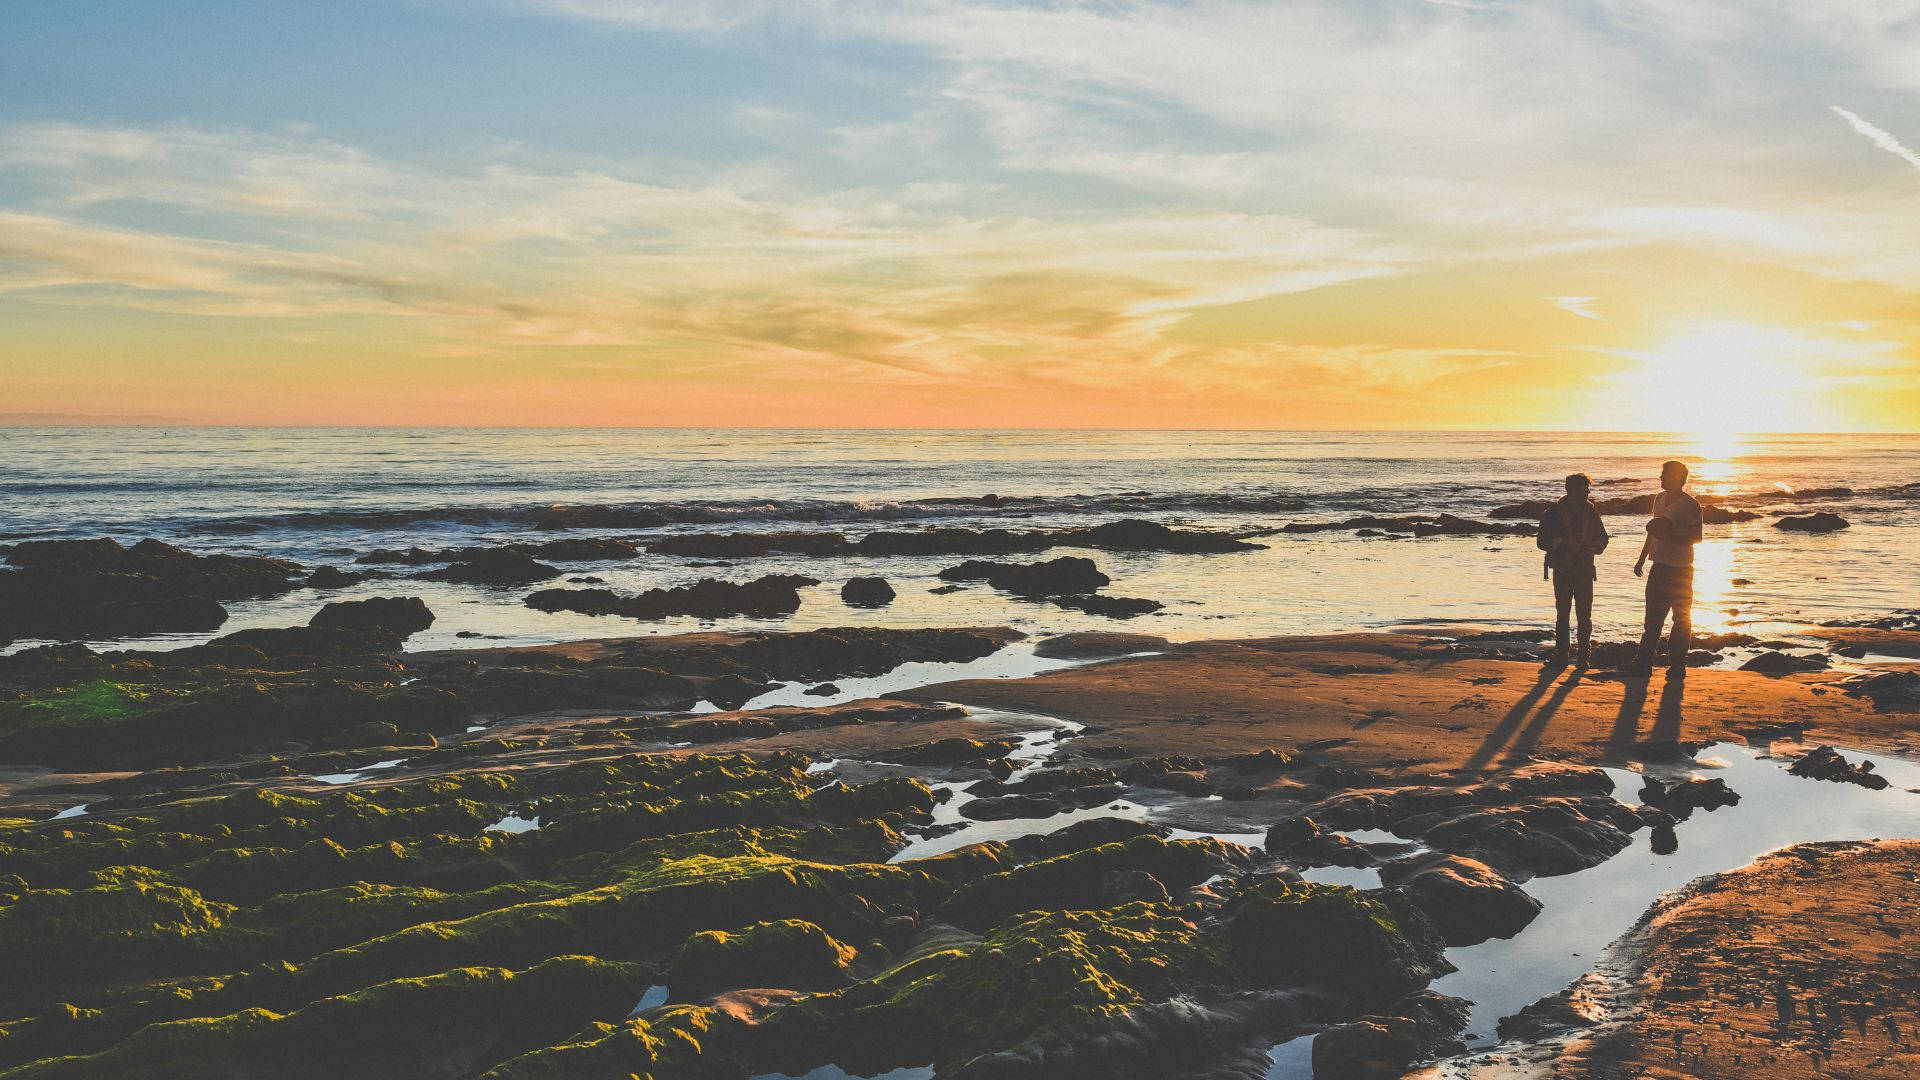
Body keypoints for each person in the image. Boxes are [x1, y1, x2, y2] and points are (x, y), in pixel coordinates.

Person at [1632, 459, 1703, 676]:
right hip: (1658, 566)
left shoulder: (1690, 505)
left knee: (1681, 619)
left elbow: (1697, 537)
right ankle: (1643, 663)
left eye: (1664, 474)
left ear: (1677, 477)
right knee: (1652, 619)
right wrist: (1642, 559)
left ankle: (1677, 664)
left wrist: (1670, 535)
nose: (1660, 477)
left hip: (1681, 569)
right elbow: (1652, 532)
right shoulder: (1660, 499)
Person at [1536, 472, 1609, 666]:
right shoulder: (1552, 513)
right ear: (1571, 490)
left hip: (1585, 570)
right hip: (1562, 570)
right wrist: (1563, 543)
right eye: (1583, 488)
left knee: (1584, 615)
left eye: (1587, 488)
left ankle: (1584, 656)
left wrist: (1597, 546)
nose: (1587, 492)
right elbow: (1541, 541)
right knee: (1563, 614)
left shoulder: (1591, 512)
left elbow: (1603, 537)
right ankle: (1562, 654)